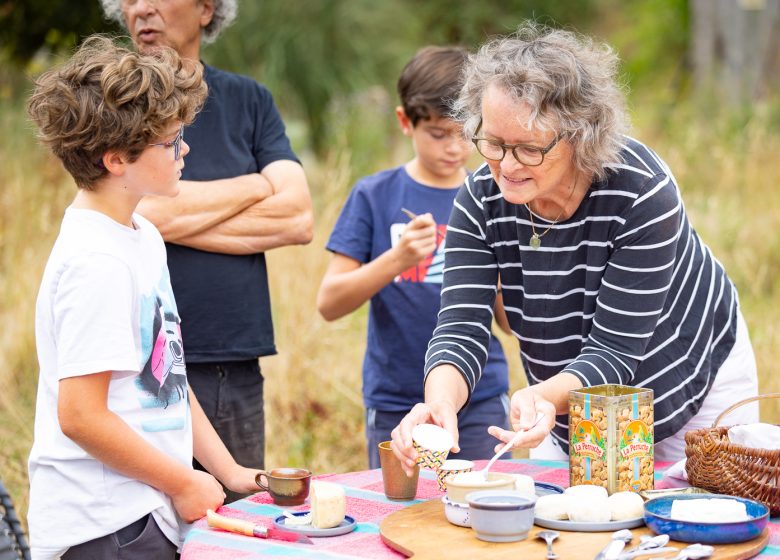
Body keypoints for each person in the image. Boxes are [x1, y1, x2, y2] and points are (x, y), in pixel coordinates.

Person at [390, 22, 759, 475]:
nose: (505, 166)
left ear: (580, 135)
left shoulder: (641, 192)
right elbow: (461, 326)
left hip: (686, 378)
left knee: (687, 519)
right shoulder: (480, 198)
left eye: (527, 149)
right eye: (492, 142)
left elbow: (616, 352)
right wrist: (439, 405)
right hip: (566, 393)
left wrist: (543, 395)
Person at [26, 36, 260, 559]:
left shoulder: (140, 236)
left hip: (142, 513)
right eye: (171, 141)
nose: (185, 150)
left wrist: (227, 471)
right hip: (105, 527)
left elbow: (166, 378)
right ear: (116, 159)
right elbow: (80, 416)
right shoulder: (97, 262)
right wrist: (182, 482)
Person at [100, 0, 314, 498]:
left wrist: (166, 215)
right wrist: (258, 185)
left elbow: (299, 217)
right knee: (147, 519)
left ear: (205, 9)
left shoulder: (249, 100)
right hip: (132, 359)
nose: (142, 8)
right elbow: (139, 212)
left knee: (236, 516)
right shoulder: (115, 99)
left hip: (228, 356)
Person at [317, 46, 511, 469]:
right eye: (439, 134)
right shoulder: (375, 195)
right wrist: (397, 258)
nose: (455, 148)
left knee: (477, 509)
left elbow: (512, 326)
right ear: (406, 122)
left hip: (479, 400)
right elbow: (330, 302)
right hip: (394, 399)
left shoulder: (498, 197)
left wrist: (494, 274)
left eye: (465, 132)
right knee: (398, 514)